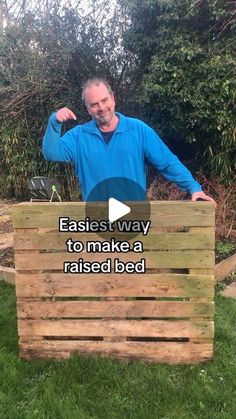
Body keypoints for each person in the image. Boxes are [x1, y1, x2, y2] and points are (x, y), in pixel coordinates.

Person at [42, 78, 216, 205]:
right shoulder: (78, 136)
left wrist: (194, 187)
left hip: (133, 221)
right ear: (87, 108)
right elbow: (51, 153)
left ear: (113, 98)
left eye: (104, 100)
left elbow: (167, 162)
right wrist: (54, 122)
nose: (101, 107)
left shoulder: (138, 130)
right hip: (96, 223)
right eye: (94, 104)